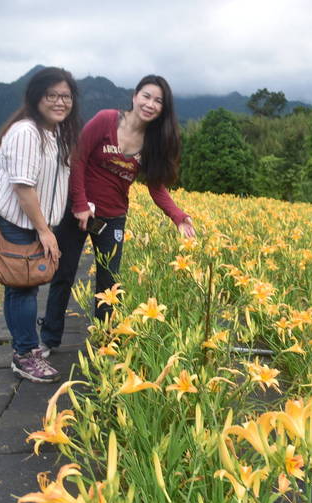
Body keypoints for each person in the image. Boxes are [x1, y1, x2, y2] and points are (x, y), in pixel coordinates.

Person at [39, 74, 195, 354]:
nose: (150, 104)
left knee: (108, 283)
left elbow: (156, 188)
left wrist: (178, 216)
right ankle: (49, 339)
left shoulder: (153, 142)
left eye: (158, 101)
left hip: (112, 218)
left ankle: (104, 343)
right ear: (134, 97)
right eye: (146, 96)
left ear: (163, 108)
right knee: (63, 273)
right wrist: (80, 204)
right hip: (77, 210)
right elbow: (79, 159)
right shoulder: (106, 120)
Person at [0, 67, 80, 383]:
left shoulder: (52, 133)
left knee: (20, 285)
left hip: (28, 220)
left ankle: (25, 349)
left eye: (65, 96)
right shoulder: (27, 132)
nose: (60, 102)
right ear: (37, 97)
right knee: (24, 287)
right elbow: (24, 188)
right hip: (18, 219)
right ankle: (25, 355)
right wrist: (45, 230)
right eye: (52, 95)